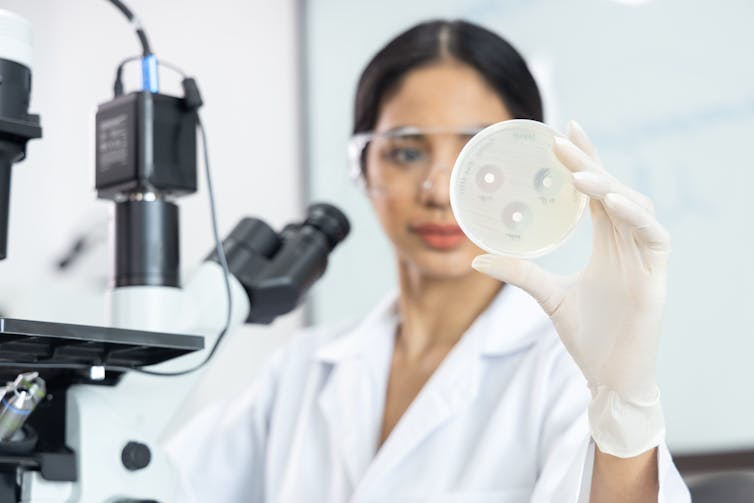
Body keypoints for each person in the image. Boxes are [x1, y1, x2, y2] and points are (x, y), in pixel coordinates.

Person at [167, 19, 690, 502]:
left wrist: (623, 407)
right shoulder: (301, 373)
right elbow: (159, 482)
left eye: (475, 157)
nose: (440, 191)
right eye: (407, 152)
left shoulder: (565, 369)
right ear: (362, 165)